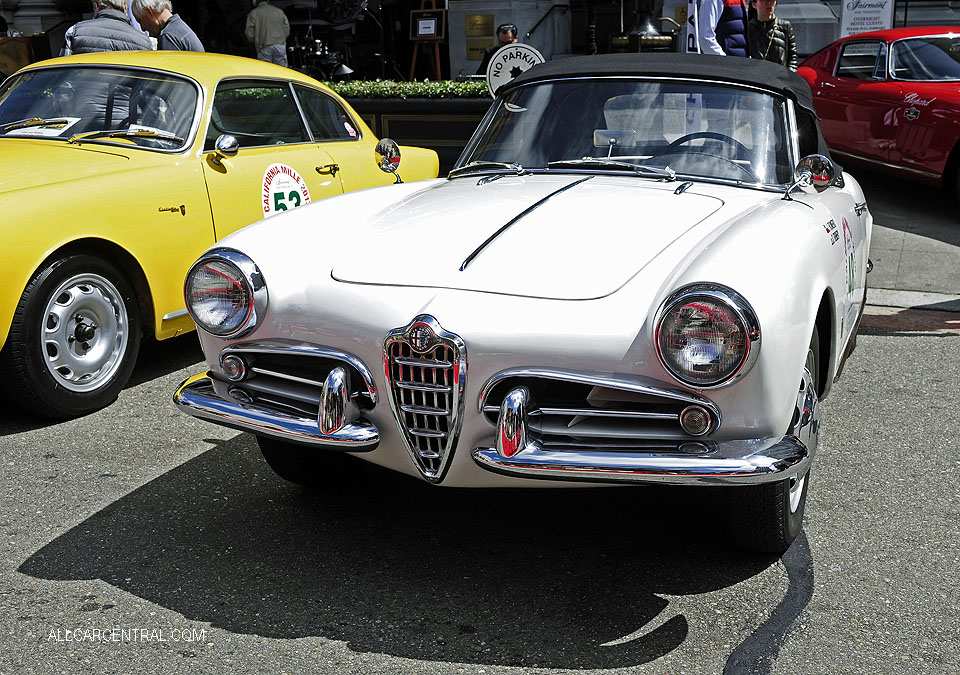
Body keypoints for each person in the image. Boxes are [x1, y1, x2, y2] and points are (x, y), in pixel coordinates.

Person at [61, 0, 154, 55]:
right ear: (125, 8)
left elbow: (64, 71)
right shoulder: (145, 42)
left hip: (85, 87)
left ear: (96, 6)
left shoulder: (74, 32)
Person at [132, 0, 204, 51]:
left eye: (140, 21)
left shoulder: (168, 36)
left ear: (150, 12)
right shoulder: (179, 28)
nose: (142, 28)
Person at [748, 0, 798, 71]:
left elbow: (793, 57)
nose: (769, 3)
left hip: (779, 78)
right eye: (763, 0)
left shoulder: (785, 26)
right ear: (754, 5)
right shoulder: (748, 28)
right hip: (756, 77)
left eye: (772, 0)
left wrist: (788, 76)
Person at [245, 0, 289, 67]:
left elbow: (250, 34)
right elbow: (286, 29)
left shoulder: (253, 13)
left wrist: (257, 40)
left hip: (264, 46)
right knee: (282, 70)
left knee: (266, 70)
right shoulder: (279, 11)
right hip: (280, 45)